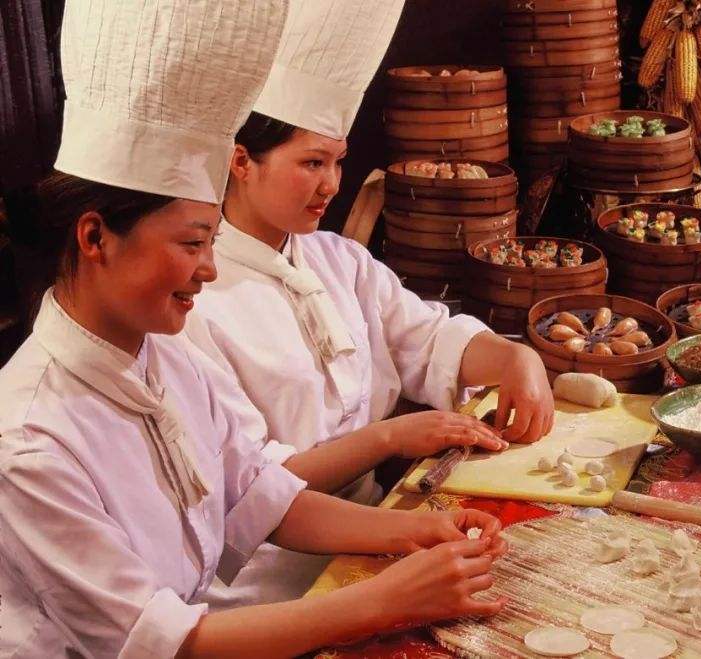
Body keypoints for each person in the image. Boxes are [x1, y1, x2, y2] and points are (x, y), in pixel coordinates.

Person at [0, 2, 505, 656]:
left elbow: (265, 499)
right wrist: (386, 599)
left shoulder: (163, 360)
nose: (209, 268)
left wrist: (410, 534)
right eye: (191, 243)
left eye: (213, 240)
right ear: (95, 236)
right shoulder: (27, 443)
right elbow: (165, 641)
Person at [183, 0, 554, 608]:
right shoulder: (195, 300)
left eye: (337, 163)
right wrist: (388, 439)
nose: (331, 185)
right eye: (311, 163)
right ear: (240, 161)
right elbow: (251, 492)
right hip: (271, 581)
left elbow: (431, 338)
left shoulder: (336, 258)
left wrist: (518, 363)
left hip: (381, 531)